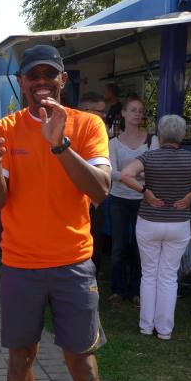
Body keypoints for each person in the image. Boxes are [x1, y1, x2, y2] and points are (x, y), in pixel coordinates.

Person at [0, 44, 112, 381]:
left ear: (63, 79)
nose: (41, 82)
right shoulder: (5, 129)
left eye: (48, 74)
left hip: (73, 263)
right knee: (20, 359)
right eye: (33, 75)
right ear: (21, 82)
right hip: (21, 264)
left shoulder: (87, 125)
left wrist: (60, 145)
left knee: (83, 365)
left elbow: (101, 189)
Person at [119, 115, 191, 340]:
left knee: (149, 274)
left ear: (159, 135)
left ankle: (146, 326)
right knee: (168, 277)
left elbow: (125, 175)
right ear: (182, 136)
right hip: (178, 223)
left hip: (149, 221)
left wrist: (145, 192)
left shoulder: (149, 157)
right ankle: (165, 330)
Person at [107, 97, 159, 305]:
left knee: (141, 246)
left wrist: (126, 175)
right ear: (124, 113)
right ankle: (117, 289)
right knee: (118, 246)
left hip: (143, 199)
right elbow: (110, 172)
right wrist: (137, 175)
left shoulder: (152, 141)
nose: (138, 114)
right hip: (119, 199)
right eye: (133, 110)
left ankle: (137, 290)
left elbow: (154, 169)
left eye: (140, 110)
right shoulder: (113, 142)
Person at [78, 92, 107, 277]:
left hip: (95, 200)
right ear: (87, 111)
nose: (103, 116)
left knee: (96, 238)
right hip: (78, 202)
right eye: (100, 111)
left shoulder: (99, 133)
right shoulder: (71, 133)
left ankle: (93, 275)